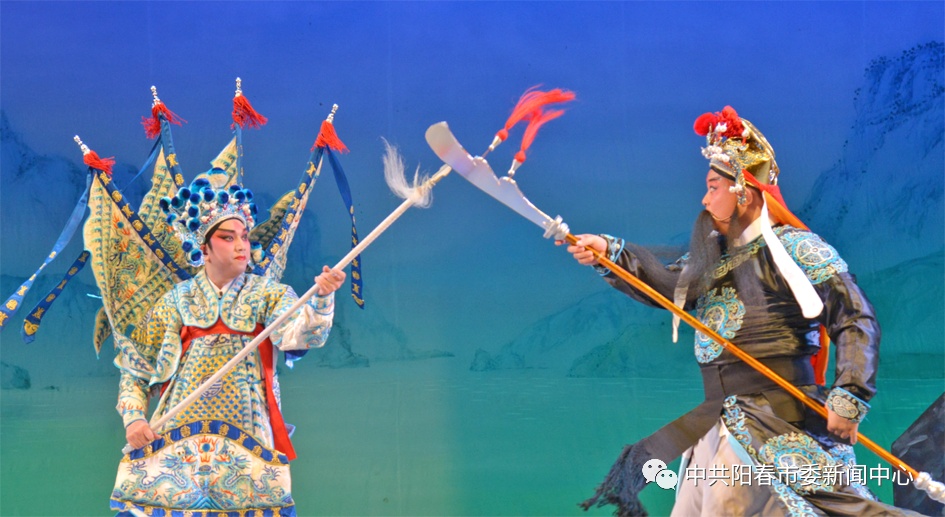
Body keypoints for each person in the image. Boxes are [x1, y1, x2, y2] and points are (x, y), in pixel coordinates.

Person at [567, 106, 919, 515]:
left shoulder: (798, 249)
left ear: (743, 192)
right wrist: (609, 253)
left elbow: (855, 317)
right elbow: (664, 284)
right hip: (718, 420)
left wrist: (850, 395)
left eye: (713, 187)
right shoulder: (712, 260)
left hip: (780, 417)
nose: (704, 199)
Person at [110, 178, 345, 516]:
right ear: (203, 249)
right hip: (177, 434)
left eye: (244, 237)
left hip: (249, 435)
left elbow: (300, 336)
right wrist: (134, 420)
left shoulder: (270, 294)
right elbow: (136, 368)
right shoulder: (175, 301)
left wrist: (322, 298)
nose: (241, 246)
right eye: (227, 237)